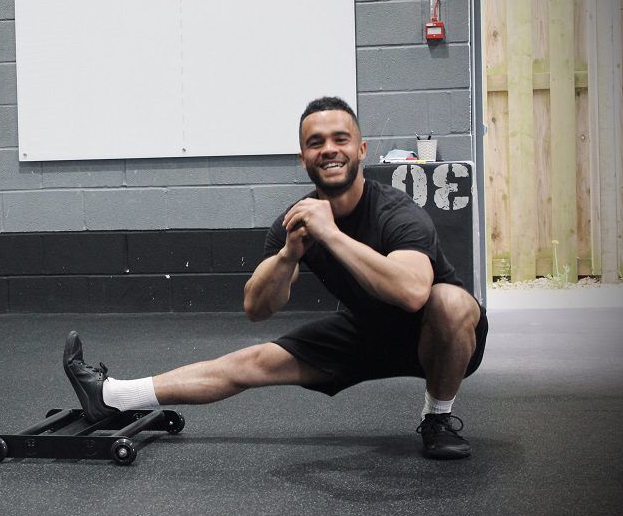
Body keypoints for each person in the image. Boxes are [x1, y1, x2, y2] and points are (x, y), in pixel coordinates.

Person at [64, 96, 488, 460]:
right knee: (250, 363)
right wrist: (288, 255)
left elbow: (413, 293)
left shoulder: (396, 212)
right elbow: (256, 308)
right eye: (315, 142)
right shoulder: (295, 222)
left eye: (340, 139)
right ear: (303, 157)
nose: (329, 149)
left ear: (361, 150)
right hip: (366, 331)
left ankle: (437, 418)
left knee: (451, 302)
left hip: (436, 336)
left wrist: (330, 234)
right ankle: (112, 396)